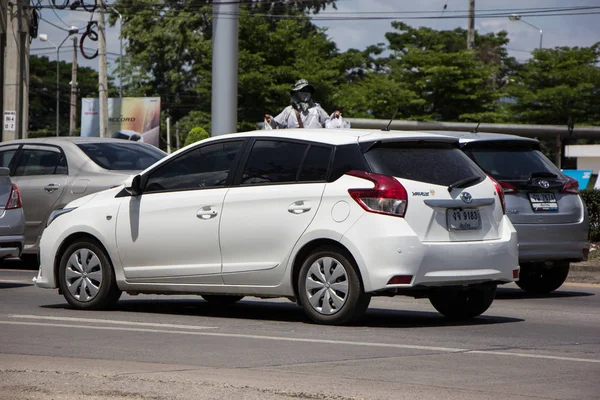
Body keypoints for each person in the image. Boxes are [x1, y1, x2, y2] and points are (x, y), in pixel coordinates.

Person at [264, 79, 349, 129]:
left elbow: (328, 123)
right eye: (303, 91)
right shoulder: (289, 110)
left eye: (308, 91)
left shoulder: (317, 109)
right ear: (296, 93)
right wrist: (270, 120)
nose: (306, 93)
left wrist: (335, 116)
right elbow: (277, 125)